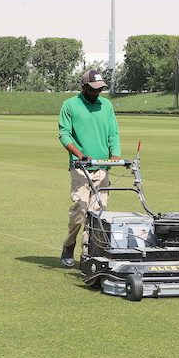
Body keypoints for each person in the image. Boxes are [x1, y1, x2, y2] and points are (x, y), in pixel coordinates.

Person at [58, 70, 121, 267]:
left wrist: (115, 155)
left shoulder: (107, 105)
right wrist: (79, 154)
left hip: (102, 166)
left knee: (97, 213)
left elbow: (113, 132)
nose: (97, 93)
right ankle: (69, 245)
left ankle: (88, 254)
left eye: (100, 89)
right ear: (83, 87)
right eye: (93, 90)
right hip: (80, 166)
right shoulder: (70, 105)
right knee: (80, 211)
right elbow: (64, 134)